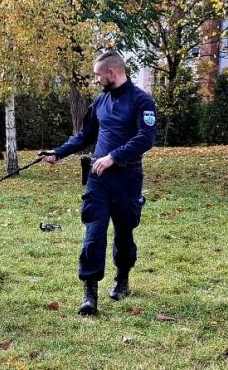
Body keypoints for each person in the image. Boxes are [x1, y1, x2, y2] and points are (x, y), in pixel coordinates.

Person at [43, 51, 156, 315]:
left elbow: (146, 138)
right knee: (93, 234)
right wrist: (58, 152)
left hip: (128, 178)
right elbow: (85, 135)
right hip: (99, 178)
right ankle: (89, 294)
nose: (96, 80)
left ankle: (122, 278)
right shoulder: (100, 102)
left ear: (111, 73)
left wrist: (113, 157)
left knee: (124, 234)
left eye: (98, 75)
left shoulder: (142, 101)